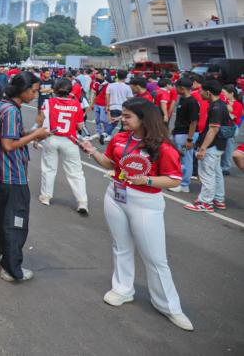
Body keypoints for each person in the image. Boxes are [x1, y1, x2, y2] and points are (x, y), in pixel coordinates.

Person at [79, 98, 193, 331]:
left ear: (144, 118)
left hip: (146, 202)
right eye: (122, 115)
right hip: (116, 196)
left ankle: (169, 305)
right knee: (120, 247)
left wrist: (146, 180)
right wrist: (92, 152)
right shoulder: (120, 138)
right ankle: (122, 289)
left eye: (128, 116)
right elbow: (111, 165)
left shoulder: (162, 146)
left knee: (155, 258)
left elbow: (174, 179)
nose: (122, 119)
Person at [0, 73, 51, 282]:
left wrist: (30, 133)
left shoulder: (2, 106)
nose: (35, 94)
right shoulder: (11, 111)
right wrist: (36, 135)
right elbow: (9, 144)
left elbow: (10, 137)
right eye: (34, 90)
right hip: (12, 173)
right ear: (23, 90)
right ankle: (12, 268)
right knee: (15, 220)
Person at [35, 78, 89, 214]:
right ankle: (82, 202)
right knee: (76, 172)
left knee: (49, 169)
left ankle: (46, 196)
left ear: (55, 89)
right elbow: (80, 125)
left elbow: (40, 121)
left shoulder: (48, 102)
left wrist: (37, 137)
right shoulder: (76, 104)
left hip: (52, 137)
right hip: (70, 140)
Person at [184, 80, 231, 213]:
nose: (199, 92)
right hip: (219, 145)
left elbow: (213, 130)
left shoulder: (215, 107)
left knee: (206, 175)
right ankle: (218, 199)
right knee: (216, 173)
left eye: (202, 90)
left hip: (211, 146)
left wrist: (203, 148)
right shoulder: (221, 104)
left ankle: (205, 203)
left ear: (208, 92)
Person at [169, 78, 199, 193]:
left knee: (186, 159)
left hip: (186, 135)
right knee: (181, 159)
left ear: (181, 88)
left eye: (176, 87)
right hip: (179, 132)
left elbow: (193, 122)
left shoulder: (192, 102)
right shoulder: (182, 99)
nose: (174, 89)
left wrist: (190, 139)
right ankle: (180, 182)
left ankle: (184, 184)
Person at [220, 84, 242, 175]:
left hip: (230, 128)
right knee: (220, 147)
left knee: (228, 148)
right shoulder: (222, 101)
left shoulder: (238, 104)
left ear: (231, 93)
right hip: (222, 127)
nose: (222, 94)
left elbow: (234, 117)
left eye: (224, 92)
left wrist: (227, 106)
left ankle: (225, 167)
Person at [106, 70, 133, 140]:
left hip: (113, 106)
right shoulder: (127, 87)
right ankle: (121, 137)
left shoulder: (110, 85)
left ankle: (106, 134)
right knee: (124, 124)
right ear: (126, 77)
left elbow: (107, 96)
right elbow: (130, 99)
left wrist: (107, 106)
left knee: (112, 123)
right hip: (123, 107)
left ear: (117, 76)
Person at [92, 71, 111, 145]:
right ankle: (98, 133)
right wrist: (92, 104)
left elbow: (108, 96)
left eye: (99, 77)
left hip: (103, 105)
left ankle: (107, 133)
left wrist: (107, 105)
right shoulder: (96, 84)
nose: (98, 78)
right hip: (97, 104)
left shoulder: (108, 85)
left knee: (103, 120)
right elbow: (95, 94)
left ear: (103, 77)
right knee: (97, 120)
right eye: (97, 77)